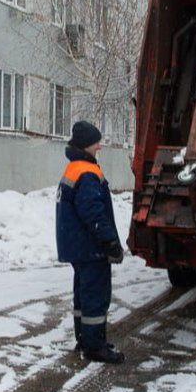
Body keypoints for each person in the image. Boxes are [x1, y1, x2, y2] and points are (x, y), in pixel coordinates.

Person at [55, 120, 125, 364]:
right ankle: (95, 347)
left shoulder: (75, 168)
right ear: (86, 145)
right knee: (95, 296)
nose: (100, 146)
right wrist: (110, 243)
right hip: (90, 248)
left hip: (78, 247)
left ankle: (85, 339)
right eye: (96, 141)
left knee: (83, 296)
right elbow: (94, 214)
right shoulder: (87, 172)